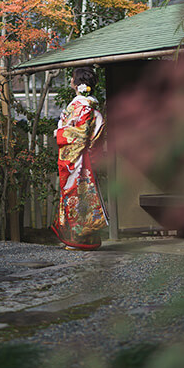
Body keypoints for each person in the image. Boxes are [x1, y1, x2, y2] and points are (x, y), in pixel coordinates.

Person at [52, 65, 108, 250]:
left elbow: (79, 134)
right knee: (85, 197)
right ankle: (87, 239)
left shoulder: (81, 106)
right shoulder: (89, 104)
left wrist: (59, 133)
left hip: (77, 160)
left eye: (72, 78)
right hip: (85, 159)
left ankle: (79, 240)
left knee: (77, 195)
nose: (70, 81)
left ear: (77, 83)